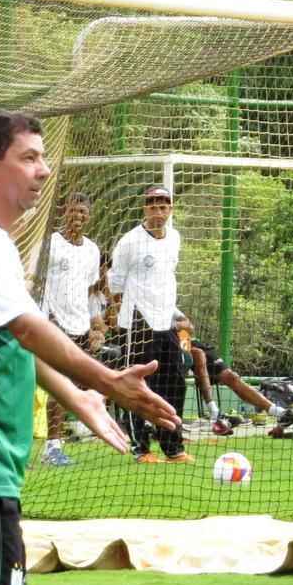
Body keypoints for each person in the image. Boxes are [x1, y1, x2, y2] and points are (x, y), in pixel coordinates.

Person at [0, 110, 180, 585]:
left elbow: (13, 337)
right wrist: (110, 382)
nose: (45, 170)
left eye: (43, 158)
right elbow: (30, 330)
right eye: (29, 158)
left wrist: (79, 397)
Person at [108, 184, 194, 464]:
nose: (158, 211)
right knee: (137, 384)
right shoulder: (130, 241)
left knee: (175, 383)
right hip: (137, 322)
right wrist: (123, 314)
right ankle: (140, 448)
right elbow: (115, 283)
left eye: (163, 205)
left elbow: (166, 278)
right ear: (145, 208)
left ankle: (173, 447)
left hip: (166, 321)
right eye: (153, 205)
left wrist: (177, 315)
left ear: (170, 208)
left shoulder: (175, 238)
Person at [38, 192, 105, 467]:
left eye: (83, 212)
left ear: (89, 216)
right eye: (74, 211)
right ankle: (52, 446)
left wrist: (94, 323)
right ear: (65, 212)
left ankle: (74, 432)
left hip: (80, 327)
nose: (78, 216)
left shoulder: (92, 250)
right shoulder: (51, 243)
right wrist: (46, 317)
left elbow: (90, 290)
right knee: (59, 384)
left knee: (83, 383)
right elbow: (37, 282)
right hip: (53, 324)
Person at [186, 338, 293, 434]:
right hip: (173, 347)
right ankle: (213, 413)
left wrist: (184, 326)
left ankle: (280, 413)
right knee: (197, 356)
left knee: (231, 377)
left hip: (190, 342)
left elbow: (188, 326)